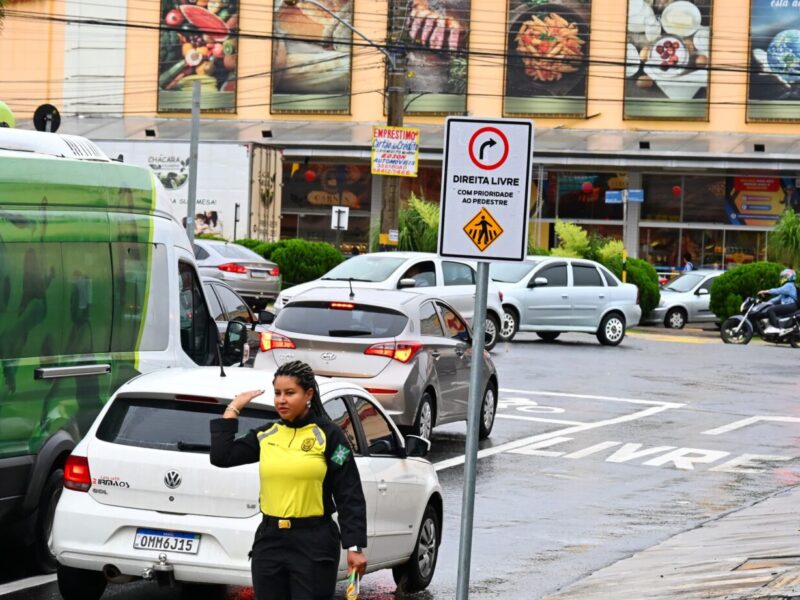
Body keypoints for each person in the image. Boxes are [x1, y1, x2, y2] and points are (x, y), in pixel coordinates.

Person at [210, 361, 368, 600]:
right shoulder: (267, 434)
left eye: (290, 393)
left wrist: (354, 547)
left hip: (314, 543)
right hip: (270, 540)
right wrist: (233, 408)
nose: (281, 400)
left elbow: (349, 493)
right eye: (277, 393)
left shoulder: (330, 437)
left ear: (309, 394)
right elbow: (222, 456)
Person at [758, 268, 798, 334]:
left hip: (791, 305)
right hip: (790, 305)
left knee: (771, 310)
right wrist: (765, 303)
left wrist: (766, 291)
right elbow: (777, 299)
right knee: (772, 308)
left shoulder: (789, 285)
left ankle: (776, 328)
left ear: (788, 277)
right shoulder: (788, 287)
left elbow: (778, 290)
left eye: (783, 277)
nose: (782, 278)